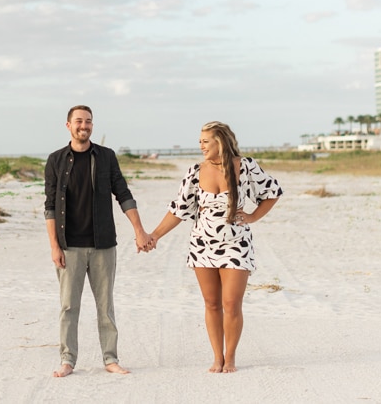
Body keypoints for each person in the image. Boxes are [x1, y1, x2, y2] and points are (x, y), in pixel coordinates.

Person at [147, 121, 282, 373]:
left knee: (231, 303)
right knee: (211, 303)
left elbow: (272, 192)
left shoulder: (246, 166)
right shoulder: (195, 171)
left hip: (236, 244)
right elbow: (179, 210)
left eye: (206, 141)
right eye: (200, 141)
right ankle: (216, 357)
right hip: (202, 244)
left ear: (220, 141)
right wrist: (154, 235)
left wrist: (252, 217)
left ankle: (230, 357)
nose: (201, 145)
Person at [44, 105, 152, 378]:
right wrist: (54, 247)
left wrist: (139, 230)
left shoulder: (106, 157)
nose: (84, 125)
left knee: (105, 305)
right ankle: (67, 360)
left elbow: (123, 193)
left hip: (103, 244)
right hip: (69, 245)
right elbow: (49, 207)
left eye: (89, 121)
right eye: (79, 121)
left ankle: (111, 358)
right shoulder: (56, 160)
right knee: (69, 306)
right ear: (68, 125)